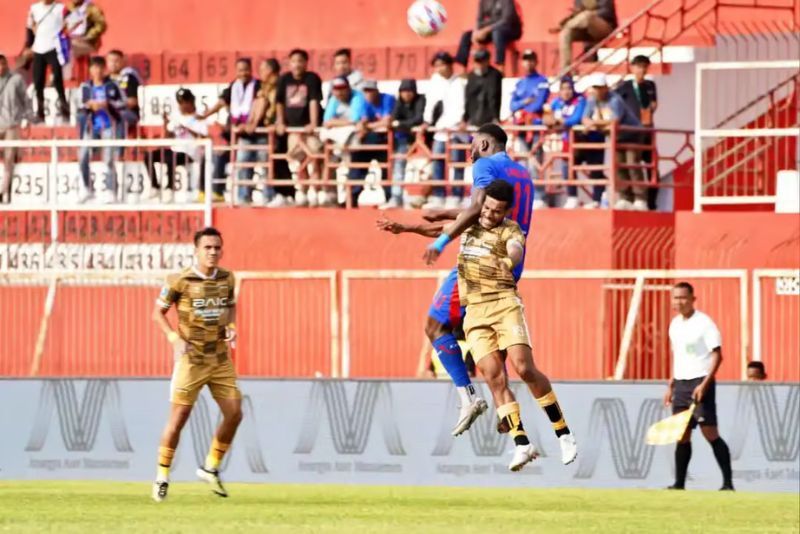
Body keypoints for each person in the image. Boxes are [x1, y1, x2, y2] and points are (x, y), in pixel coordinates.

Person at [151, 227, 242, 503]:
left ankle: (209, 466)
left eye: (217, 247)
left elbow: (229, 306)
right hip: (191, 360)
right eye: (208, 248)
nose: (213, 252)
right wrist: (173, 338)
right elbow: (157, 312)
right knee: (177, 421)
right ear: (196, 250)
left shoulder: (227, 278)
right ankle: (162, 476)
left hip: (219, 359)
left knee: (235, 412)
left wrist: (231, 326)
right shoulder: (179, 280)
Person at [664, 282, 734, 491]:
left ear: (693, 299)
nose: (679, 302)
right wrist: (671, 384)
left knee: (709, 432)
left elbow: (717, 354)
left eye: (683, 297)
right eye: (676, 298)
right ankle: (679, 484)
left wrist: (705, 383)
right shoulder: (675, 325)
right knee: (682, 433)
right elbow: (678, 356)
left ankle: (728, 483)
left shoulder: (704, 323)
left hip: (700, 381)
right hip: (681, 384)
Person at [203, 58, 262, 204]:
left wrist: (248, 124)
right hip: (232, 132)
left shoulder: (257, 86)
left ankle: (244, 195)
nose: (243, 73)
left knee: (243, 159)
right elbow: (222, 102)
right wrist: (205, 115)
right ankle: (217, 191)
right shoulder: (233, 87)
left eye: (246, 69)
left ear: (250, 69)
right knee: (218, 153)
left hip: (249, 133)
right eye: (240, 70)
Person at [582, 73, 644, 210]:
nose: (597, 91)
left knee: (632, 164)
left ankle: (640, 198)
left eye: (600, 87)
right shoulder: (592, 100)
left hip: (631, 134)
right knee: (618, 167)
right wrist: (592, 123)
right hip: (616, 137)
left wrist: (594, 124)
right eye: (595, 88)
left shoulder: (615, 100)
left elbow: (614, 121)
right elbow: (585, 118)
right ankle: (624, 197)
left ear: (606, 88)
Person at [275, 49, 324, 207]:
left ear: (306, 63)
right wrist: (281, 122)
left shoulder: (312, 78)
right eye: (294, 61)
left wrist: (313, 123)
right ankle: (302, 191)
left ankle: (315, 190)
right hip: (292, 130)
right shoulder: (284, 80)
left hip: (309, 130)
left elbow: (313, 101)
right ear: (289, 63)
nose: (297, 64)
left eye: (300, 61)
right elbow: (279, 103)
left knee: (315, 157)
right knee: (298, 160)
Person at [145, 88, 208, 202]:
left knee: (170, 157)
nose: (182, 105)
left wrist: (187, 128)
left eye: (184, 102)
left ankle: (170, 188)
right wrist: (165, 123)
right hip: (175, 150)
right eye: (180, 102)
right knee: (149, 156)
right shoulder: (176, 117)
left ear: (191, 102)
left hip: (190, 153)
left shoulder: (199, 118)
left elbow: (204, 138)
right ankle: (155, 186)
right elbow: (168, 137)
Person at [422, 51, 467, 208]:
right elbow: (430, 103)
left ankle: (456, 195)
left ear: (450, 65)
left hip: (456, 130)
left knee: (457, 163)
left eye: (442, 65)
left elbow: (463, 104)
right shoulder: (435, 82)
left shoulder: (460, 82)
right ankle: (438, 195)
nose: (440, 69)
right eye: (436, 66)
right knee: (437, 161)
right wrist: (426, 122)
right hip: (440, 130)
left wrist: (462, 120)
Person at [76, 55, 123, 204]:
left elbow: (121, 103)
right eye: (94, 68)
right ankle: (87, 188)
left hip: (108, 125)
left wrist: (106, 104)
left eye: (99, 68)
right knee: (82, 156)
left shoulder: (112, 85)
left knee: (108, 159)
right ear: (90, 70)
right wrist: (89, 105)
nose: (97, 71)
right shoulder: (85, 87)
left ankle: (111, 190)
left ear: (104, 69)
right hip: (91, 126)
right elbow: (79, 104)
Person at [615, 55, 658, 207]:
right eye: (638, 66)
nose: (641, 70)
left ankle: (647, 199)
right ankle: (626, 196)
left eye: (644, 67)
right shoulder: (623, 87)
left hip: (646, 129)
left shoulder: (649, 86)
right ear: (632, 68)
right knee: (624, 164)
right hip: (628, 132)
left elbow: (652, 105)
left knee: (647, 164)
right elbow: (616, 106)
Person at [543, 76, 586, 209]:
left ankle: (598, 198)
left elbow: (577, 118)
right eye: (563, 89)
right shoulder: (557, 102)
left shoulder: (580, 100)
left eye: (569, 88)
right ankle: (572, 196)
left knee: (593, 169)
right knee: (567, 168)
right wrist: (549, 120)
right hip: (565, 141)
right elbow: (546, 117)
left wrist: (562, 121)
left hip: (582, 140)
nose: (566, 92)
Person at [383, 79, 426, 209]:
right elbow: (394, 118)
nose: (406, 94)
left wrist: (401, 124)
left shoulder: (421, 100)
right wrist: (400, 124)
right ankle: (396, 197)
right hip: (403, 140)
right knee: (398, 167)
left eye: (409, 91)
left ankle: (425, 197)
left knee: (427, 169)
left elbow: (419, 118)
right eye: (403, 91)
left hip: (423, 141)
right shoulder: (399, 102)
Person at [27, 0, 70, 122]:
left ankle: (64, 106)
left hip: (54, 47)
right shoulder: (34, 8)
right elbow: (29, 27)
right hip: (39, 48)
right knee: (38, 81)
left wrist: (65, 33)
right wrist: (29, 45)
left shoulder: (60, 8)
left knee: (57, 77)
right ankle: (40, 112)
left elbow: (71, 22)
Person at [455, 0, 523, 73]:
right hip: (491, 29)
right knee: (467, 35)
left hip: (510, 28)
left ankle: (500, 67)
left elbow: (506, 20)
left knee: (497, 34)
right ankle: (462, 68)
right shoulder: (483, 2)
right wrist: (477, 32)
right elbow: (479, 20)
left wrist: (486, 30)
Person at [555, 0, 618, 71]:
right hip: (586, 28)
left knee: (587, 15)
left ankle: (567, 25)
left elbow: (607, 12)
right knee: (565, 33)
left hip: (605, 27)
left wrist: (589, 14)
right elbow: (579, 13)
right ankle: (566, 69)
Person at [0, 54, 29, 204]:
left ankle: (4, 192)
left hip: (11, 124)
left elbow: (25, 100)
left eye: (2, 64)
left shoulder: (16, 79)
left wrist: (26, 119)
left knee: (9, 159)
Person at [464, 49, 502, 128]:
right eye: (477, 61)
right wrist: (466, 118)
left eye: (482, 61)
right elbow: (468, 98)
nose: (480, 64)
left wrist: (496, 117)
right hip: (473, 120)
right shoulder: (471, 76)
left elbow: (495, 97)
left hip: (490, 120)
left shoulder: (495, 75)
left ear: (488, 61)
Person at [107, 49, 142, 136]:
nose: (113, 64)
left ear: (123, 61)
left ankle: (117, 148)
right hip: (108, 112)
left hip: (128, 112)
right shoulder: (105, 81)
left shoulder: (129, 78)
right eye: (111, 61)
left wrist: (114, 105)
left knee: (117, 117)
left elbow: (132, 102)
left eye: (116, 61)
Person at [65, 0, 106, 69]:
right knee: (59, 46)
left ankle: (65, 77)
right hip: (72, 39)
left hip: (88, 42)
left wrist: (88, 36)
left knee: (67, 47)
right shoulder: (68, 8)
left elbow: (101, 25)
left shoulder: (92, 8)